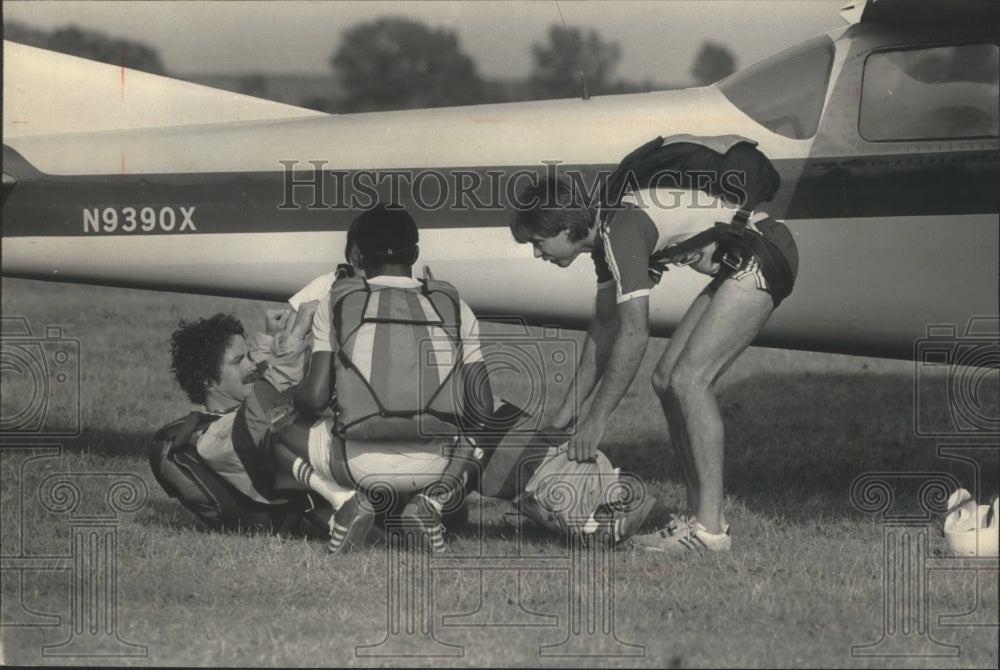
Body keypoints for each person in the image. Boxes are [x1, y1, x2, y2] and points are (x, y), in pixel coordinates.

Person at [509, 135, 799, 554]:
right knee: (665, 380)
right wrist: (560, 422)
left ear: (566, 228)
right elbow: (604, 329)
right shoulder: (604, 238)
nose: (538, 254)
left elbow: (634, 331)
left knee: (689, 381)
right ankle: (697, 518)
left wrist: (597, 418)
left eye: (538, 242)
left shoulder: (621, 227)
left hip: (764, 252)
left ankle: (710, 532)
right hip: (743, 259)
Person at [275, 204, 495, 554]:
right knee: (493, 424)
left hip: (356, 465)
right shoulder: (456, 306)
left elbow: (315, 398)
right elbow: (483, 410)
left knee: (274, 427)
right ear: (416, 254)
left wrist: (288, 399)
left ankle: (343, 501)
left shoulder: (336, 303)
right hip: (434, 466)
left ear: (358, 255)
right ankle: (433, 502)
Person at [150, 303, 326, 535]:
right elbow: (262, 412)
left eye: (249, 356)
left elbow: (261, 395)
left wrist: (270, 338)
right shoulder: (213, 437)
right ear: (208, 380)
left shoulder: (235, 415)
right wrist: (295, 335)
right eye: (238, 361)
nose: (251, 365)